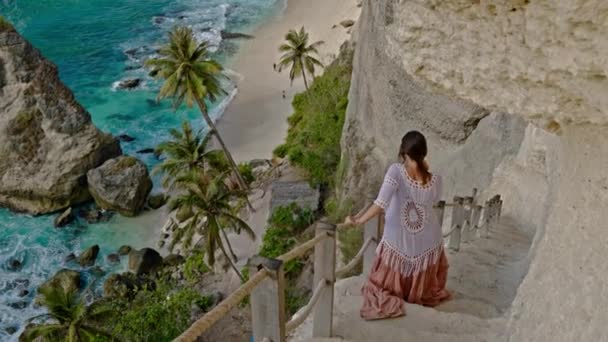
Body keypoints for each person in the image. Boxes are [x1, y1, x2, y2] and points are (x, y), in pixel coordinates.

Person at [344, 131, 450, 320]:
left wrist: (358, 221)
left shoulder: (396, 171)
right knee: (418, 261)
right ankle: (416, 294)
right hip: (429, 239)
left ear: (403, 152)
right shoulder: (436, 180)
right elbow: (433, 200)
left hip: (399, 239)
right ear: (424, 153)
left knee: (380, 287)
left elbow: (380, 204)